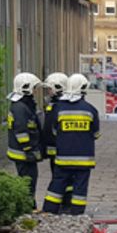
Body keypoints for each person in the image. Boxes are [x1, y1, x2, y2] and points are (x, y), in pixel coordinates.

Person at [43, 74, 99, 215]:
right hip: (84, 159)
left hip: (63, 157)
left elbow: (54, 131)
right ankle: (77, 213)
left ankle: (49, 211)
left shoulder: (59, 108)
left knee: (57, 183)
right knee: (80, 186)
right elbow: (96, 134)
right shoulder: (91, 110)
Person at [6, 73, 43, 205]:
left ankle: (28, 204)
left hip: (22, 151)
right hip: (23, 152)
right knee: (28, 180)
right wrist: (28, 149)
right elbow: (21, 130)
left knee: (28, 179)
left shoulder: (20, 105)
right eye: (34, 88)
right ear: (26, 88)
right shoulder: (21, 108)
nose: (34, 91)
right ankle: (27, 206)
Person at [40, 72, 71, 210]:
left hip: (59, 150)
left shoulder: (60, 106)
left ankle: (60, 204)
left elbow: (53, 130)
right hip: (55, 150)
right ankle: (64, 202)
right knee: (60, 176)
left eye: (49, 88)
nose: (48, 92)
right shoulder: (55, 104)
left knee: (61, 177)